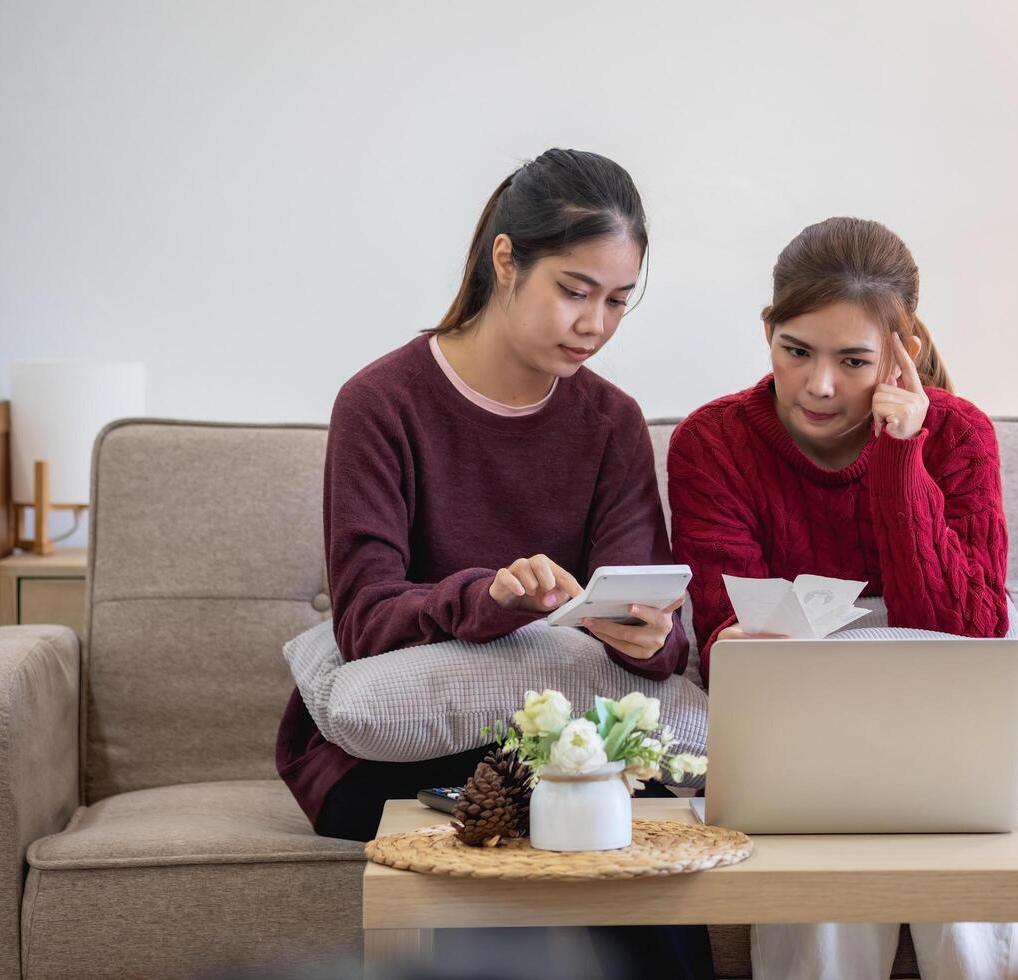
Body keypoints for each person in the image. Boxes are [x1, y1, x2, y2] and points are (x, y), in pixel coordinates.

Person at [275, 148, 712, 980]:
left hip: (571, 741)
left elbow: (660, 632)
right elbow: (365, 620)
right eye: (575, 291)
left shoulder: (611, 422)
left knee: (646, 854)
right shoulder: (380, 404)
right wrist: (491, 595)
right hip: (398, 753)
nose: (595, 325)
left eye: (619, 301)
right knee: (552, 827)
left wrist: (649, 637)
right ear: (506, 260)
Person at [667, 216, 1018, 980]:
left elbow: (967, 632)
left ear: (902, 352)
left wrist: (900, 459)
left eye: (853, 361)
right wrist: (735, 650)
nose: (819, 385)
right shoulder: (712, 443)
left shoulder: (958, 435)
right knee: (825, 873)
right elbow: (720, 638)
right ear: (768, 329)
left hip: (956, 710)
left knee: (968, 860)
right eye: (797, 352)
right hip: (802, 717)